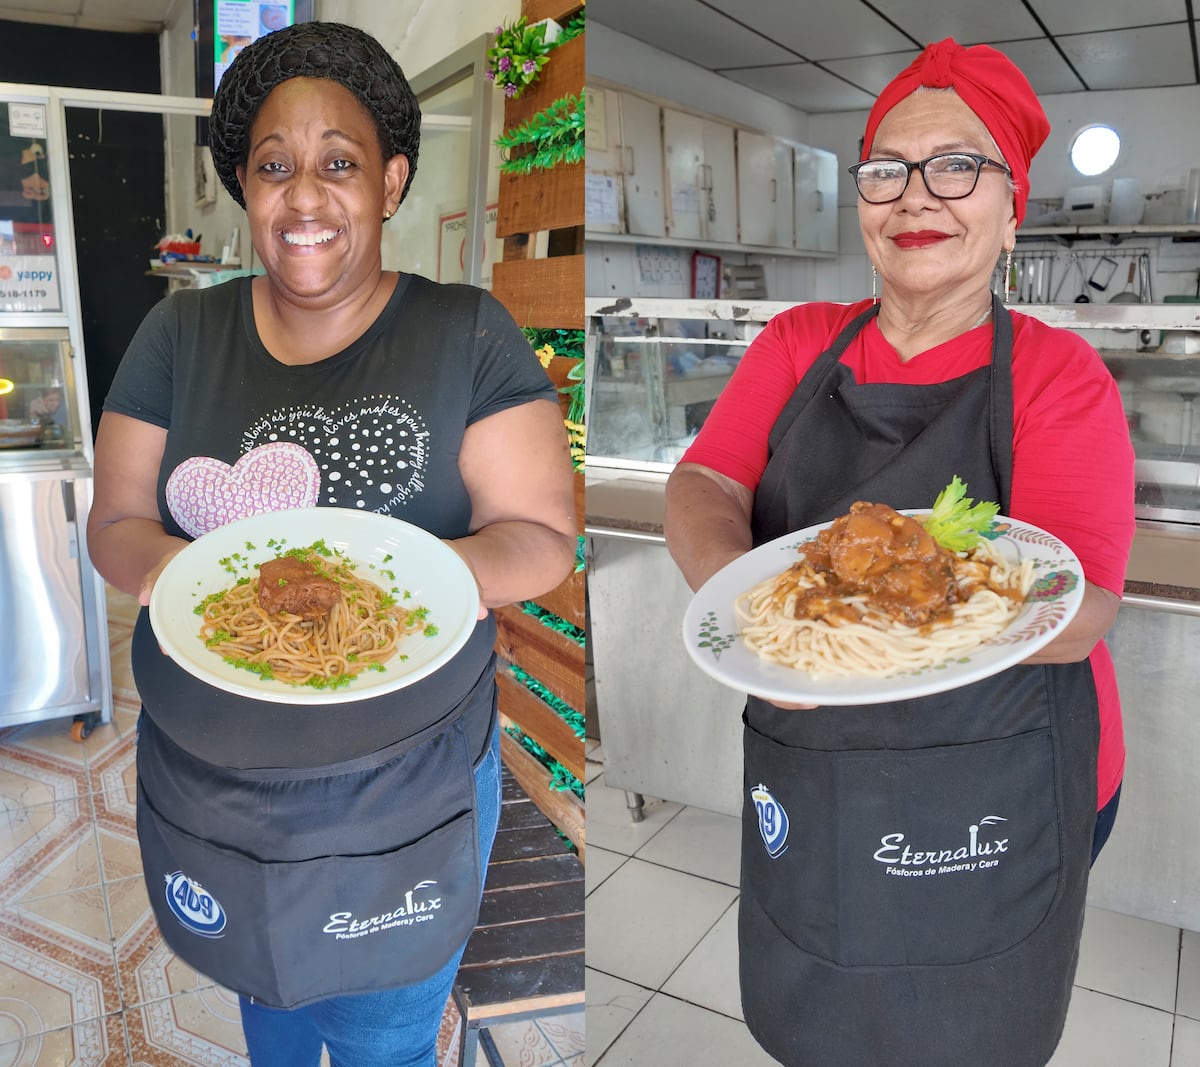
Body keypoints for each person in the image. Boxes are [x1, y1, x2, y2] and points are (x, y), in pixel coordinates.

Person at [85, 21, 575, 1067]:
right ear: (245, 189)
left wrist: (390, 583)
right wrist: (197, 574)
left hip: (408, 790)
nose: (304, 196)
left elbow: (539, 539)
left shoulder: (469, 331)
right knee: (270, 1009)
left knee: (380, 1039)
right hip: (216, 787)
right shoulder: (179, 334)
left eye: (339, 163)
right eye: (273, 167)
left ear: (392, 179)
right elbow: (117, 522)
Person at [664, 39, 1134, 1067]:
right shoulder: (797, 343)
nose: (917, 195)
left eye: (958, 165)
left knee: (976, 1027)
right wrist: (753, 610)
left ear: (1013, 208)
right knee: (825, 1013)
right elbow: (702, 486)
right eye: (888, 168)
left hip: (1007, 773)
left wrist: (869, 624)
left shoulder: (1059, 374)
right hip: (816, 756)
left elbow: (1086, 605)